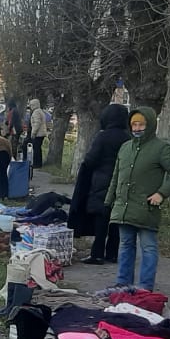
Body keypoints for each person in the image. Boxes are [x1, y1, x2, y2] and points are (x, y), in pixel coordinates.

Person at [104, 105, 170, 291]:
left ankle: (144, 287)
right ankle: (122, 283)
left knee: (148, 248)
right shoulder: (125, 148)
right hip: (124, 208)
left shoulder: (160, 148)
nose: (137, 128)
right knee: (125, 246)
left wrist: (161, 193)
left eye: (141, 124)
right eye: (134, 124)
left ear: (150, 125)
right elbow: (116, 176)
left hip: (146, 209)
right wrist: (109, 201)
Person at [68, 103, 129, 264]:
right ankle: (112, 253)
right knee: (115, 220)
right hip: (122, 181)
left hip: (101, 180)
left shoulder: (103, 136)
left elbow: (91, 159)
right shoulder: (127, 137)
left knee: (101, 219)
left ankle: (97, 254)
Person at [27, 98, 49, 168]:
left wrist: (33, 133)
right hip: (41, 133)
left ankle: (37, 164)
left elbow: (37, 123)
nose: (30, 107)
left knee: (36, 149)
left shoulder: (36, 112)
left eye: (31, 105)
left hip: (38, 134)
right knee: (38, 149)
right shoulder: (40, 111)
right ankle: (38, 163)